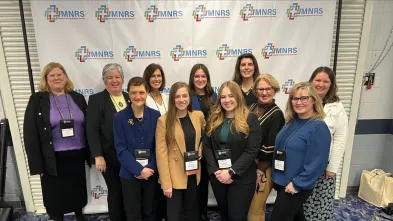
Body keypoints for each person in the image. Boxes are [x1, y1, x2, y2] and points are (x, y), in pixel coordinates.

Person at [23, 62, 89, 221]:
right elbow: (30, 134)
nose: (56, 78)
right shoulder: (37, 100)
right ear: (46, 79)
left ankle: (80, 216)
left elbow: (88, 126)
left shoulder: (77, 97)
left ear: (65, 77)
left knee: (77, 191)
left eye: (60, 74)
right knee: (54, 195)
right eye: (52, 75)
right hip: (51, 158)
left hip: (77, 155)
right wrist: (37, 164)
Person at [270, 82, 331, 221]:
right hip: (282, 180)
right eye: (295, 98)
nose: (299, 102)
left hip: (296, 184)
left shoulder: (318, 127)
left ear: (314, 100)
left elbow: (318, 162)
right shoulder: (291, 121)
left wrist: (298, 183)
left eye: (304, 98)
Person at [203, 81, 261, 221]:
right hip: (219, 177)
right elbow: (207, 146)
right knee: (225, 215)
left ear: (238, 97)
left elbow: (251, 151)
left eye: (231, 96)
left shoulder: (250, 119)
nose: (227, 100)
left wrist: (230, 172)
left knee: (237, 217)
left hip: (241, 178)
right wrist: (216, 171)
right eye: (223, 97)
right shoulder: (213, 118)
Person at [155, 82, 205, 221]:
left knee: (191, 214)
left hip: (193, 173)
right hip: (174, 176)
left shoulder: (198, 116)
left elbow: (204, 137)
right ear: (172, 98)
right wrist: (166, 183)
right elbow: (161, 154)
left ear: (190, 98)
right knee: (174, 216)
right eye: (177, 96)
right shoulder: (163, 121)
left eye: (185, 96)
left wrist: (200, 149)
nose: (181, 100)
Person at [303, 67, 348, 221]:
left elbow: (340, 138)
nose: (321, 84)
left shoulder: (337, 106)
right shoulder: (302, 100)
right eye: (318, 80)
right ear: (311, 81)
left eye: (325, 81)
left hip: (323, 167)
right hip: (301, 164)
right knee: (298, 205)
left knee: (319, 208)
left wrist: (332, 167)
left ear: (331, 84)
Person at [113, 77, 161, 221]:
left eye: (141, 92)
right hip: (129, 174)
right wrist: (139, 170)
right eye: (133, 93)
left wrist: (149, 168)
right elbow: (120, 149)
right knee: (133, 214)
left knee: (150, 212)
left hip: (151, 173)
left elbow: (159, 147)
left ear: (147, 93)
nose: (138, 96)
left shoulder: (156, 115)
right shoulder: (119, 117)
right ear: (128, 93)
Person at [86, 63, 129, 221]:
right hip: (109, 157)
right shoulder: (97, 100)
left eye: (117, 77)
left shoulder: (129, 97)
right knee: (115, 191)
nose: (114, 80)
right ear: (104, 80)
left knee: (128, 191)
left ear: (122, 79)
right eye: (110, 77)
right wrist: (98, 155)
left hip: (129, 156)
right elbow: (92, 130)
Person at [247, 74, 285, 221]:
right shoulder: (250, 107)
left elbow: (271, 147)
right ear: (256, 91)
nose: (264, 92)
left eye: (268, 89)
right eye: (261, 89)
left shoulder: (277, 114)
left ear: (274, 90)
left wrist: (259, 171)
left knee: (255, 207)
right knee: (258, 206)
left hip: (263, 167)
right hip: (249, 164)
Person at [188, 64, 217, 221]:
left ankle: (203, 214)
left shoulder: (213, 96)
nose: (200, 79)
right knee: (193, 183)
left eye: (203, 76)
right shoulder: (186, 96)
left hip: (210, 147)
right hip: (192, 147)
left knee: (204, 182)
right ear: (192, 78)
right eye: (197, 76)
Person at [142, 63, 168, 220]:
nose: (156, 79)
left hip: (167, 148)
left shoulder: (167, 97)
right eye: (153, 76)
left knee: (165, 184)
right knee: (152, 191)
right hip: (150, 149)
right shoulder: (143, 97)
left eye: (159, 75)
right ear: (147, 78)